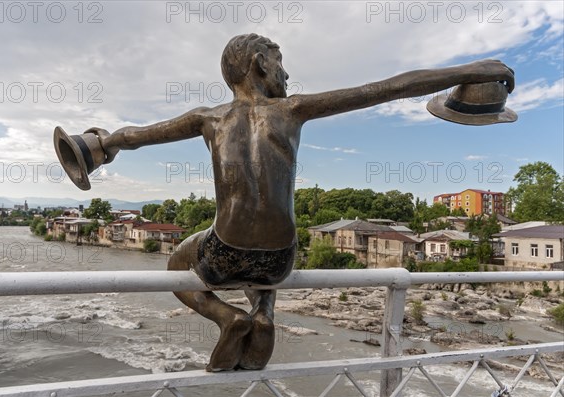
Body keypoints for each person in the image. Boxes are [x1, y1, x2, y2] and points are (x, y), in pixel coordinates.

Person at [86, 33, 515, 371]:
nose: (287, 75)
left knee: (178, 264)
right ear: (259, 64)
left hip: (223, 251)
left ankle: (225, 317)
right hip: (280, 259)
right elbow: (388, 87)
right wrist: (473, 68)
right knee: (268, 257)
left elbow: (135, 136)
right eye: (280, 63)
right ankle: (264, 312)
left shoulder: (207, 119)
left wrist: (101, 145)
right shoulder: (292, 110)